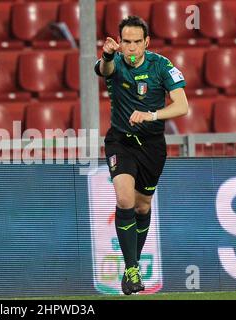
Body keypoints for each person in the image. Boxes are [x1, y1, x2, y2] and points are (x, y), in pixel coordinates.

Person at [94, 16, 189, 295]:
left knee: (142, 207)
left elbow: (182, 105)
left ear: (146, 42)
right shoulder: (115, 61)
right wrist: (108, 53)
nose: (132, 48)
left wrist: (152, 115)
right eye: (127, 42)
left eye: (137, 42)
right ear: (120, 42)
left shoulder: (161, 66)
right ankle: (133, 270)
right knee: (124, 198)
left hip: (152, 145)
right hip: (120, 143)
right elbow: (104, 68)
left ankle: (129, 268)